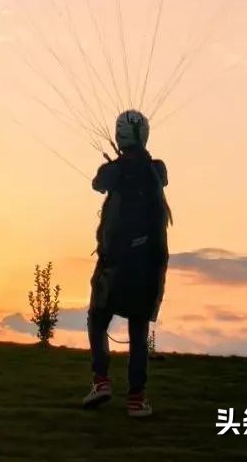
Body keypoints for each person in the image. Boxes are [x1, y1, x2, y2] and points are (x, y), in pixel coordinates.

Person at [81, 109, 170, 419]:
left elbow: (98, 183)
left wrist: (117, 163)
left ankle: (101, 380)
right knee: (138, 329)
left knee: (97, 318)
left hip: (115, 263)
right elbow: (160, 179)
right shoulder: (156, 169)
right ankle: (136, 399)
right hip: (147, 265)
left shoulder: (115, 171)